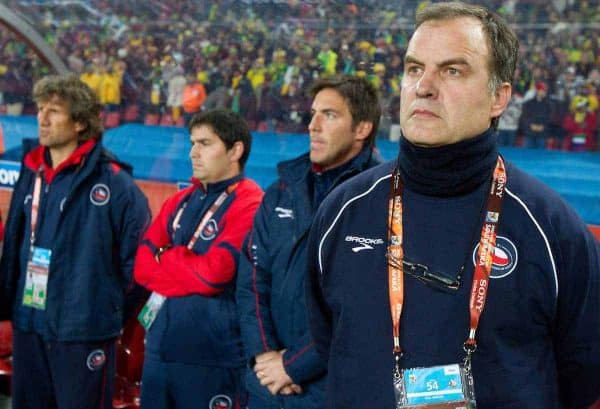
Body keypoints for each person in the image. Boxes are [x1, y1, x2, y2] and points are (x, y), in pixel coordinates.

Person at [305, 3, 600, 409]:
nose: (424, 86)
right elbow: (328, 340)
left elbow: (582, 378)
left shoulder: (552, 229)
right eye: (414, 68)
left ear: (499, 98)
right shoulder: (344, 210)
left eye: (452, 70)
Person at [0, 74, 151, 409]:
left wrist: (99, 311)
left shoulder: (115, 185)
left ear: (81, 122)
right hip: (29, 325)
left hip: (83, 335)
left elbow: (138, 268)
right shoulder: (31, 170)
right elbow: (15, 244)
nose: (42, 117)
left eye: (54, 110)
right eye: (40, 108)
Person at [236, 75, 384, 408]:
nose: (313, 125)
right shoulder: (282, 189)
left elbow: (363, 307)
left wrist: (293, 366)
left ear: (361, 128)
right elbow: (252, 276)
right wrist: (264, 356)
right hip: (267, 384)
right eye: (313, 114)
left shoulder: (382, 199)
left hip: (331, 389)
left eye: (329, 115)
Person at [133, 109, 264, 409]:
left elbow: (214, 274)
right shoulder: (178, 201)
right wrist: (188, 264)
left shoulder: (250, 203)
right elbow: (141, 267)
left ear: (235, 150)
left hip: (213, 361)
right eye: (192, 143)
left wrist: (166, 257)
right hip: (158, 354)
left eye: (204, 143)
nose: (193, 152)